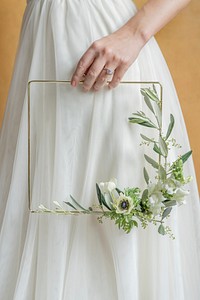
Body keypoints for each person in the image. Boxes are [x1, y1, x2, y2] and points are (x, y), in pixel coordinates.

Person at [0, 0, 200, 299]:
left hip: (102, 52)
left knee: (111, 229)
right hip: (42, 50)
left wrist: (134, 34)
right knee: (46, 219)